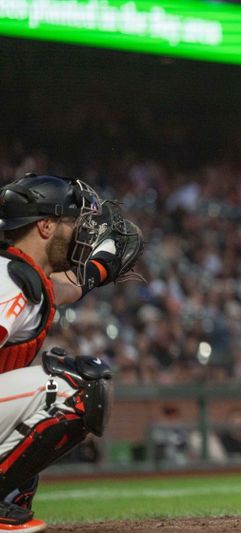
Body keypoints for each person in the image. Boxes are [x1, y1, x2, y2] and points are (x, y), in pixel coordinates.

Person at [0, 174, 142, 532]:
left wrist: (99, 268)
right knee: (72, 389)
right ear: (46, 226)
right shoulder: (9, 281)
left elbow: (62, 288)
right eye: (71, 220)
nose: (80, 230)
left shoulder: (24, 274)